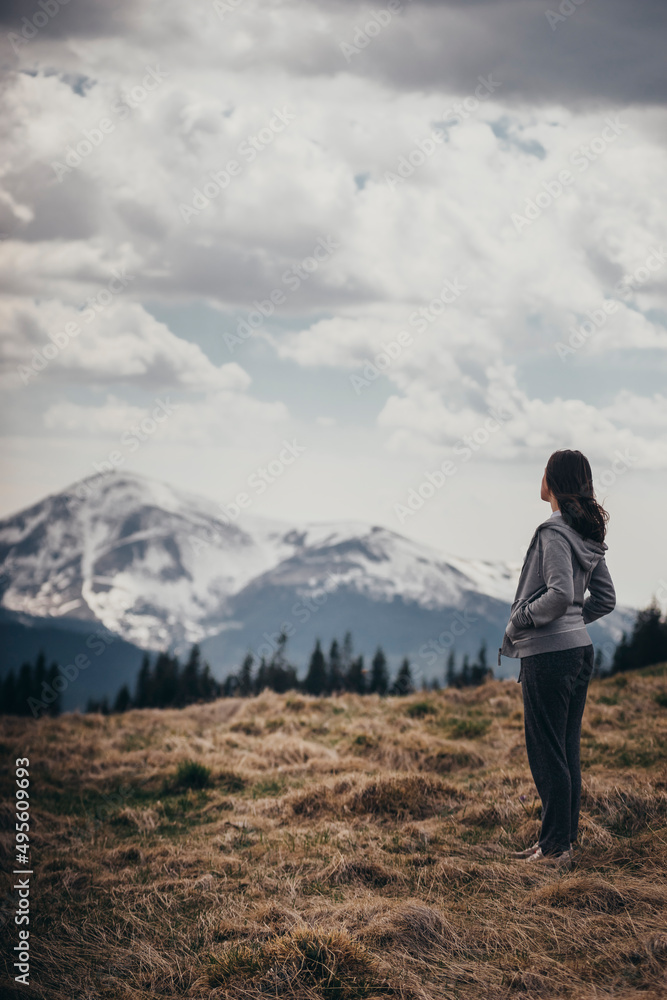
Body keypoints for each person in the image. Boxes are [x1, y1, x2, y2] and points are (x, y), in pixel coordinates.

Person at [498, 449, 616, 869]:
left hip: (549, 655)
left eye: (544, 470)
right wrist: (572, 624)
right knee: (565, 749)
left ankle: (554, 851)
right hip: (580, 651)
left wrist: (520, 622)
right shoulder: (586, 532)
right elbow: (605, 597)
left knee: (547, 751)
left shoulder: (553, 532)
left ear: (554, 481)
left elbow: (560, 593)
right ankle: (560, 843)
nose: (540, 476)